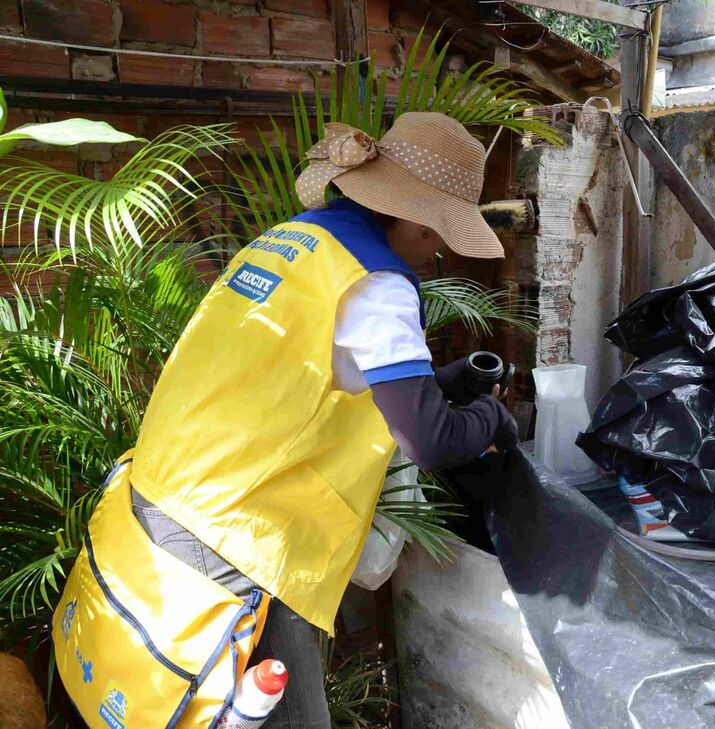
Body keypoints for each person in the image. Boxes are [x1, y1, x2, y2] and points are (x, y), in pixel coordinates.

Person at [54, 112, 517, 728]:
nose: (437, 252)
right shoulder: (378, 283)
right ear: (412, 215)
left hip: (163, 492)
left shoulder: (291, 241)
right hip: (237, 539)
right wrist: (491, 418)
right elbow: (429, 441)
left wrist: (443, 385)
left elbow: (297, 372)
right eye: (438, 234)